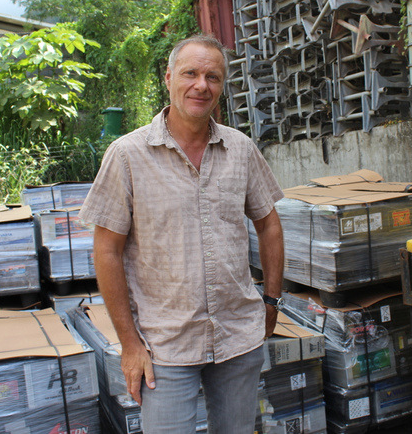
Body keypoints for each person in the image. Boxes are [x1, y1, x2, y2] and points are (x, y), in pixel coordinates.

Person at [79, 34, 285, 433]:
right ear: (169, 78)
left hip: (237, 337)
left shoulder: (241, 149)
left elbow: (269, 224)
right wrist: (129, 344)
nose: (201, 85)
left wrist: (272, 302)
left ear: (222, 87)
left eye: (213, 77)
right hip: (164, 346)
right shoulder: (127, 155)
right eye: (190, 73)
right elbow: (106, 251)